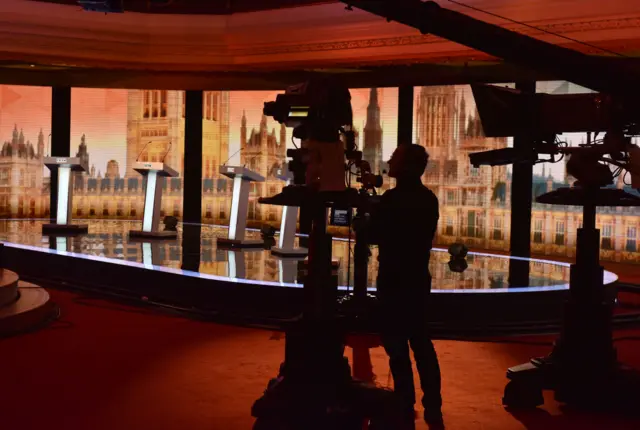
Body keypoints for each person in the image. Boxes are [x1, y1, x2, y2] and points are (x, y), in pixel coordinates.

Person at [368, 144, 443, 429]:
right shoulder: (429, 199)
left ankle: (404, 402)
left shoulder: (391, 199)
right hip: (417, 279)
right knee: (422, 344)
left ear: (407, 167)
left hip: (392, 279)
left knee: (397, 346)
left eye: (395, 159)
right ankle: (433, 406)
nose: (389, 161)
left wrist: (363, 221)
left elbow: (373, 233)